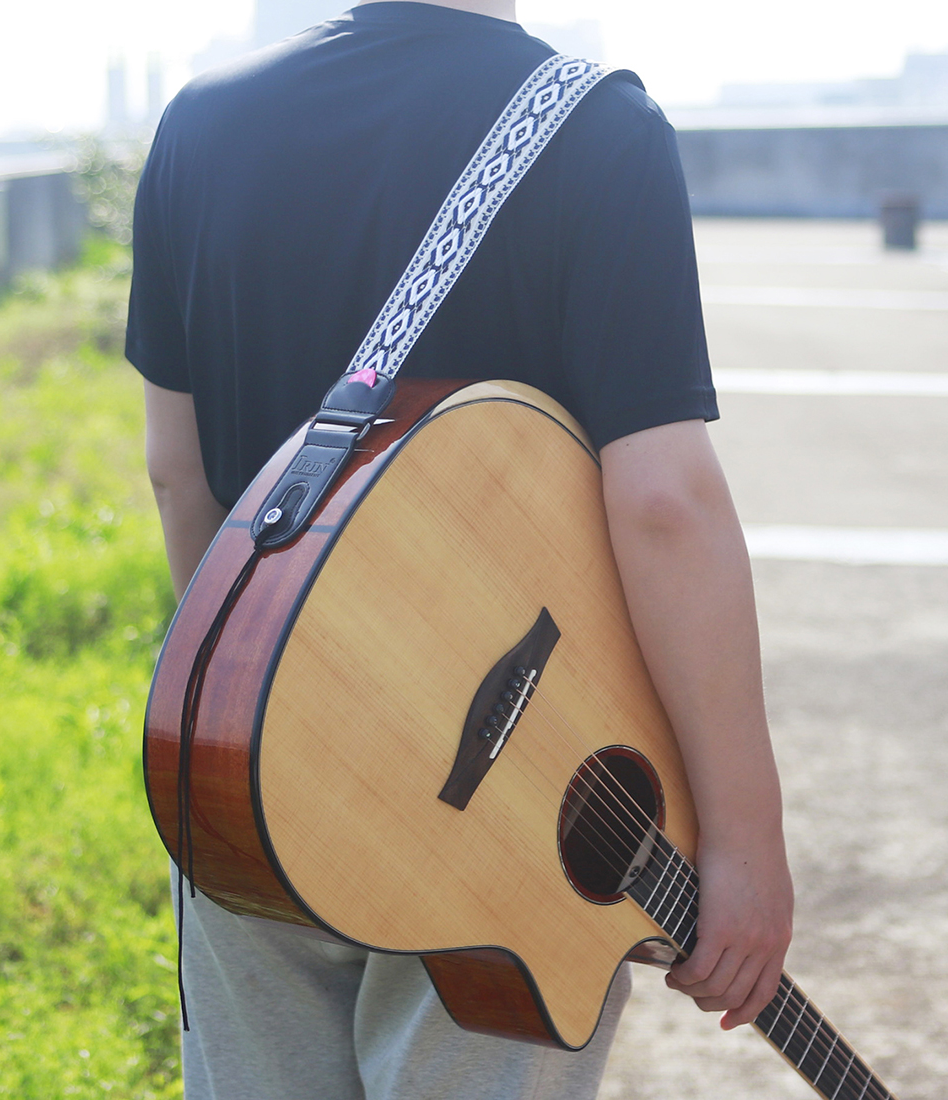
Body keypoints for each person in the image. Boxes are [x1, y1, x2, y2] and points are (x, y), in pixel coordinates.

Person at [126, 2, 794, 1097]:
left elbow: (176, 470)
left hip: (245, 778)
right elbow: (664, 502)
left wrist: (248, 709)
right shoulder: (597, 128)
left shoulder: (199, 124)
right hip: (496, 802)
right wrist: (743, 835)